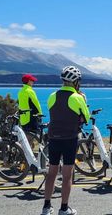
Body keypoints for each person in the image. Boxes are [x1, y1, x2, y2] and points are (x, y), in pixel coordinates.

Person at [41, 66, 90, 215]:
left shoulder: (52, 96)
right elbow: (86, 118)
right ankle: (64, 208)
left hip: (53, 137)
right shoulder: (77, 97)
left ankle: (46, 207)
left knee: (52, 172)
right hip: (69, 138)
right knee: (67, 175)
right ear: (76, 81)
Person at [18, 74, 43, 147]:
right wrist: (40, 114)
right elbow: (36, 103)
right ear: (28, 81)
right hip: (31, 117)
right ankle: (27, 155)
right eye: (32, 81)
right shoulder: (30, 91)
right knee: (31, 136)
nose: (33, 82)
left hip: (23, 118)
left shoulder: (21, 91)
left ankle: (23, 153)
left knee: (26, 137)